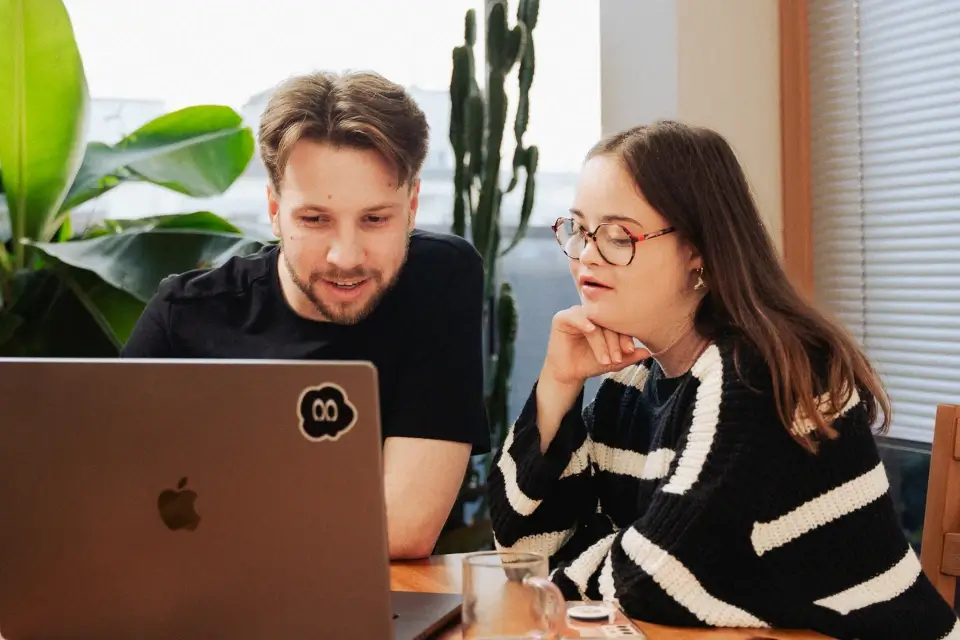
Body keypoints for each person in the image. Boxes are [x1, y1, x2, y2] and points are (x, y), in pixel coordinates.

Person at [487, 120, 959, 638]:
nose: (588, 256)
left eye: (621, 236)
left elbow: (652, 578)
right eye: (579, 229)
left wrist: (595, 558)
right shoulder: (633, 381)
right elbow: (522, 555)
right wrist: (558, 384)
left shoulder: (761, 375)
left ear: (699, 252)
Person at [122, 70, 490, 560]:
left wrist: (220, 518)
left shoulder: (440, 279)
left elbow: (402, 528)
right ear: (275, 210)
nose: (345, 256)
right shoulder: (184, 315)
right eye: (314, 220)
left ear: (413, 206)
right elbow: (103, 500)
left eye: (375, 219)